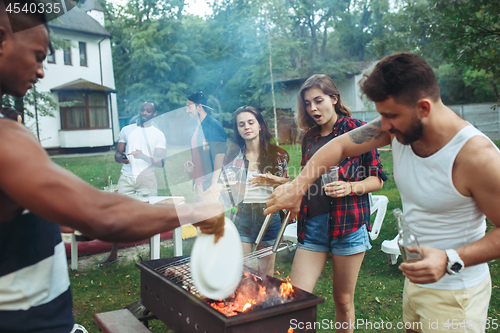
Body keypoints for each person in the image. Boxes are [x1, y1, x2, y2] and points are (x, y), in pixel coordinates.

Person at [0, 2, 223, 333]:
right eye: (38, 55)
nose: (43, 71)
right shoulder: (5, 138)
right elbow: (104, 216)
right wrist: (195, 213)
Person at [266, 52, 500, 333]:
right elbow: (339, 146)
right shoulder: (396, 128)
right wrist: (297, 186)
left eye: (390, 116)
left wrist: (450, 258)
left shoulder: (478, 157)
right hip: (415, 281)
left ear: (423, 108)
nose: (383, 126)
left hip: (456, 293)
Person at [256, 75, 386, 332]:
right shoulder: (309, 138)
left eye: (318, 100)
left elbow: (378, 179)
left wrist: (351, 187)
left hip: (347, 226)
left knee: (343, 301)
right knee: (294, 299)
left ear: (334, 99)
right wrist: (283, 183)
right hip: (313, 226)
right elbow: (308, 179)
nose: (313, 108)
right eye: (307, 104)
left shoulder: (359, 130)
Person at [221, 106, 290, 276]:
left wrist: (272, 180)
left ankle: (265, 303)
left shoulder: (278, 155)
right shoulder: (231, 157)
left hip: (268, 214)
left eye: (251, 122)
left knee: (266, 275)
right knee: (245, 272)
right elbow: (227, 193)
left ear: (260, 125)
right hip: (241, 215)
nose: (247, 127)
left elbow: (290, 186)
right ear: (237, 130)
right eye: (241, 124)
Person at [99, 102, 167, 267]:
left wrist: (143, 156)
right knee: (118, 216)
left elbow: (160, 162)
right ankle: (113, 254)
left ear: (154, 113)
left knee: (150, 218)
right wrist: (121, 157)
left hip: (147, 179)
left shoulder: (158, 135)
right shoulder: (126, 130)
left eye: (148, 110)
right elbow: (117, 153)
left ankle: (152, 258)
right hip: (126, 178)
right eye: (142, 109)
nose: (144, 112)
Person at [184, 90, 227, 202]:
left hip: (209, 185)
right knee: (200, 219)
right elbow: (205, 152)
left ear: (199, 107)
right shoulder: (197, 129)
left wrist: (213, 183)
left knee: (210, 219)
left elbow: (220, 154)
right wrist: (191, 162)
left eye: (189, 107)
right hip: (199, 185)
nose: (186, 110)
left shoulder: (213, 125)